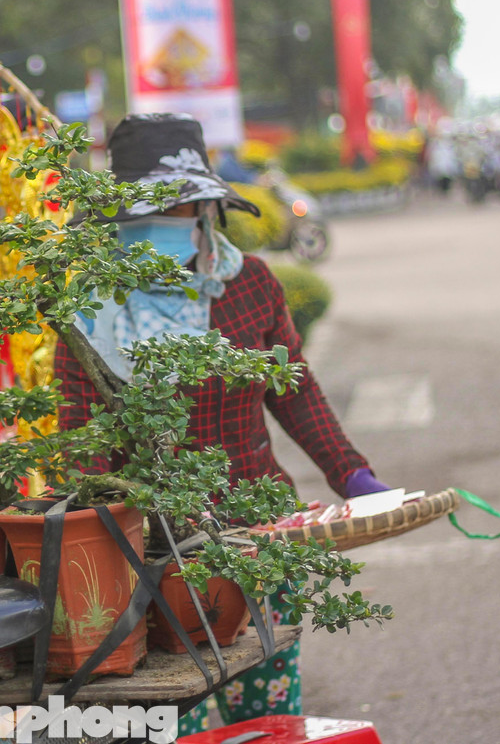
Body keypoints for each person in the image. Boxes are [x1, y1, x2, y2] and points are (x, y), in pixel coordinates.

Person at [54, 113, 389, 728]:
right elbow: (84, 444)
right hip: (152, 558)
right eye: (146, 209)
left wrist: (350, 472)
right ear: (118, 218)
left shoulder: (250, 285)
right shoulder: (89, 313)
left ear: (206, 210)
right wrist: (91, 554)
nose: (162, 221)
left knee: (267, 717)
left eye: (176, 206)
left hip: (259, 539)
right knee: (170, 720)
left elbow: (294, 390)